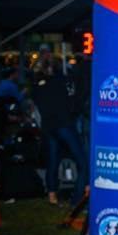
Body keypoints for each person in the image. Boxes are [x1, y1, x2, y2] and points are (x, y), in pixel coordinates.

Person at [30, 57, 88, 206]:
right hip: (64, 124)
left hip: (48, 127)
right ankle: (77, 199)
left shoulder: (37, 86)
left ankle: (52, 195)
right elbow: (73, 101)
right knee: (83, 162)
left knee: (53, 161)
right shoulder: (62, 81)